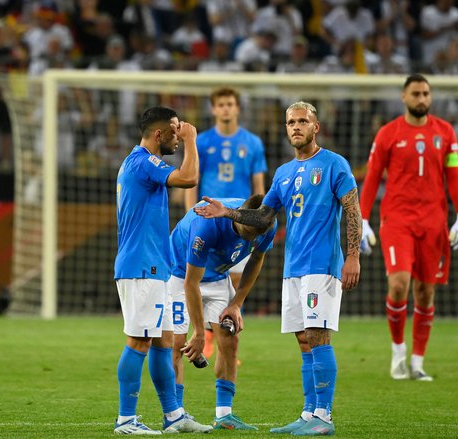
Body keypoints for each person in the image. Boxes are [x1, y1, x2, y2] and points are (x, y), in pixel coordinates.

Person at [195, 101, 362, 436]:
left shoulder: (333, 164)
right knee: (303, 339)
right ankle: (308, 413)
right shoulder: (284, 174)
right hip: (293, 267)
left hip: (321, 266)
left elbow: (352, 209)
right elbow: (263, 218)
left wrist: (353, 255)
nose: (296, 127)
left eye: (302, 121)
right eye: (290, 122)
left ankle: (324, 417)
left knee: (318, 336)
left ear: (316, 127)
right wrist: (226, 213)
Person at [359, 74, 458, 382]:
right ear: (403, 97)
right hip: (397, 220)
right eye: (416, 94)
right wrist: (362, 218)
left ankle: (418, 362)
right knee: (399, 285)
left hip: (434, 222)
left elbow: (455, 177)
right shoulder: (388, 133)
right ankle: (398, 354)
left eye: (426, 94)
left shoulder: (445, 132)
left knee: (425, 292)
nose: (422, 99)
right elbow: (372, 178)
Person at [113, 106, 212, 435]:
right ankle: (126, 420)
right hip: (141, 266)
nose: (179, 134)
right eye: (174, 130)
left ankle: (173, 416)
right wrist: (192, 142)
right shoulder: (144, 162)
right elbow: (189, 178)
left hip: (153, 265)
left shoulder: (138, 163)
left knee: (163, 341)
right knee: (139, 340)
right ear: (159, 134)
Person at [171, 195, 277, 430]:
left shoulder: (266, 222)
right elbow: (191, 283)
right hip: (179, 273)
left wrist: (237, 303)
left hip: (218, 277)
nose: (248, 239)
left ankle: (224, 415)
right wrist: (199, 332)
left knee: (231, 338)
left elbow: (256, 259)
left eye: (254, 236)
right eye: (245, 232)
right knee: (177, 342)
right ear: (236, 214)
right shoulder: (206, 224)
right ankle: (175, 414)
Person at [185, 86, 268, 358]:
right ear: (213, 109)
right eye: (220, 104)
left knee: (232, 281)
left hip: (239, 223)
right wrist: (191, 214)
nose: (225, 109)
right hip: (209, 220)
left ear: (237, 108)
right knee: (200, 277)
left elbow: (258, 186)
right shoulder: (204, 142)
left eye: (230, 104)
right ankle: (207, 337)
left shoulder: (253, 143)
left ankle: (221, 335)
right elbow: (192, 182)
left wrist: (260, 215)